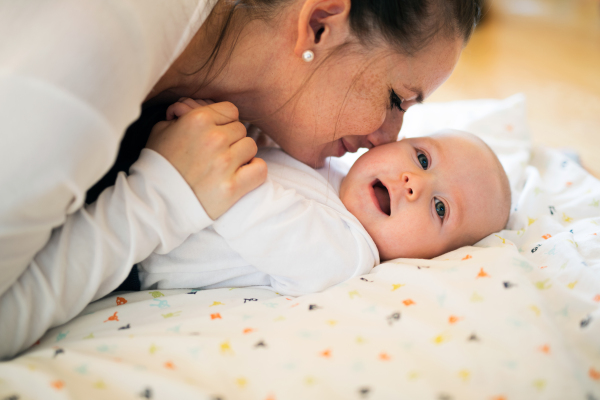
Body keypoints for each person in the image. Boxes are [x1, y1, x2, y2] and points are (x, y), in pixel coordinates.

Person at [0, 0, 482, 359]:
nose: (387, 138)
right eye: (397, 99)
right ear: (318, 24)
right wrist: (156, 200)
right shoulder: (78, 71)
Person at [139, 99, 509, 295]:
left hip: (142, 245)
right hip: (161, 174)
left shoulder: (347, 254)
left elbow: (259, 217)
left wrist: (208, 149)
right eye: (423, 158)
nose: (415, 183)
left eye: (440, 207)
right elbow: (270, 151)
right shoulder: (332, 171)